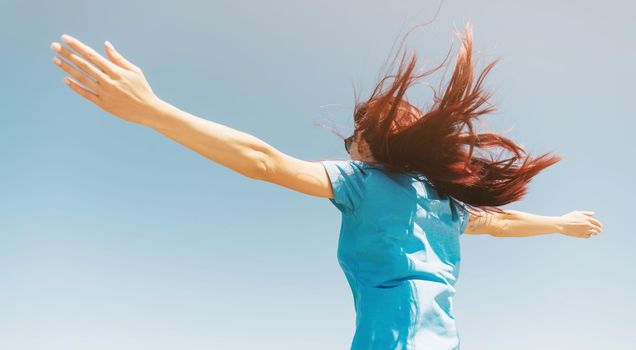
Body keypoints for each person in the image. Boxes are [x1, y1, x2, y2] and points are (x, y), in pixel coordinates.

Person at [50, 20, 602, 350]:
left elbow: (263, 161)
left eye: (352, 138)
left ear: (372, 142)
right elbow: (499, 224)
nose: (347, 148)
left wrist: (154, 111)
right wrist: (560, 225)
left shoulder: (361, 183)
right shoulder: (443, 204)